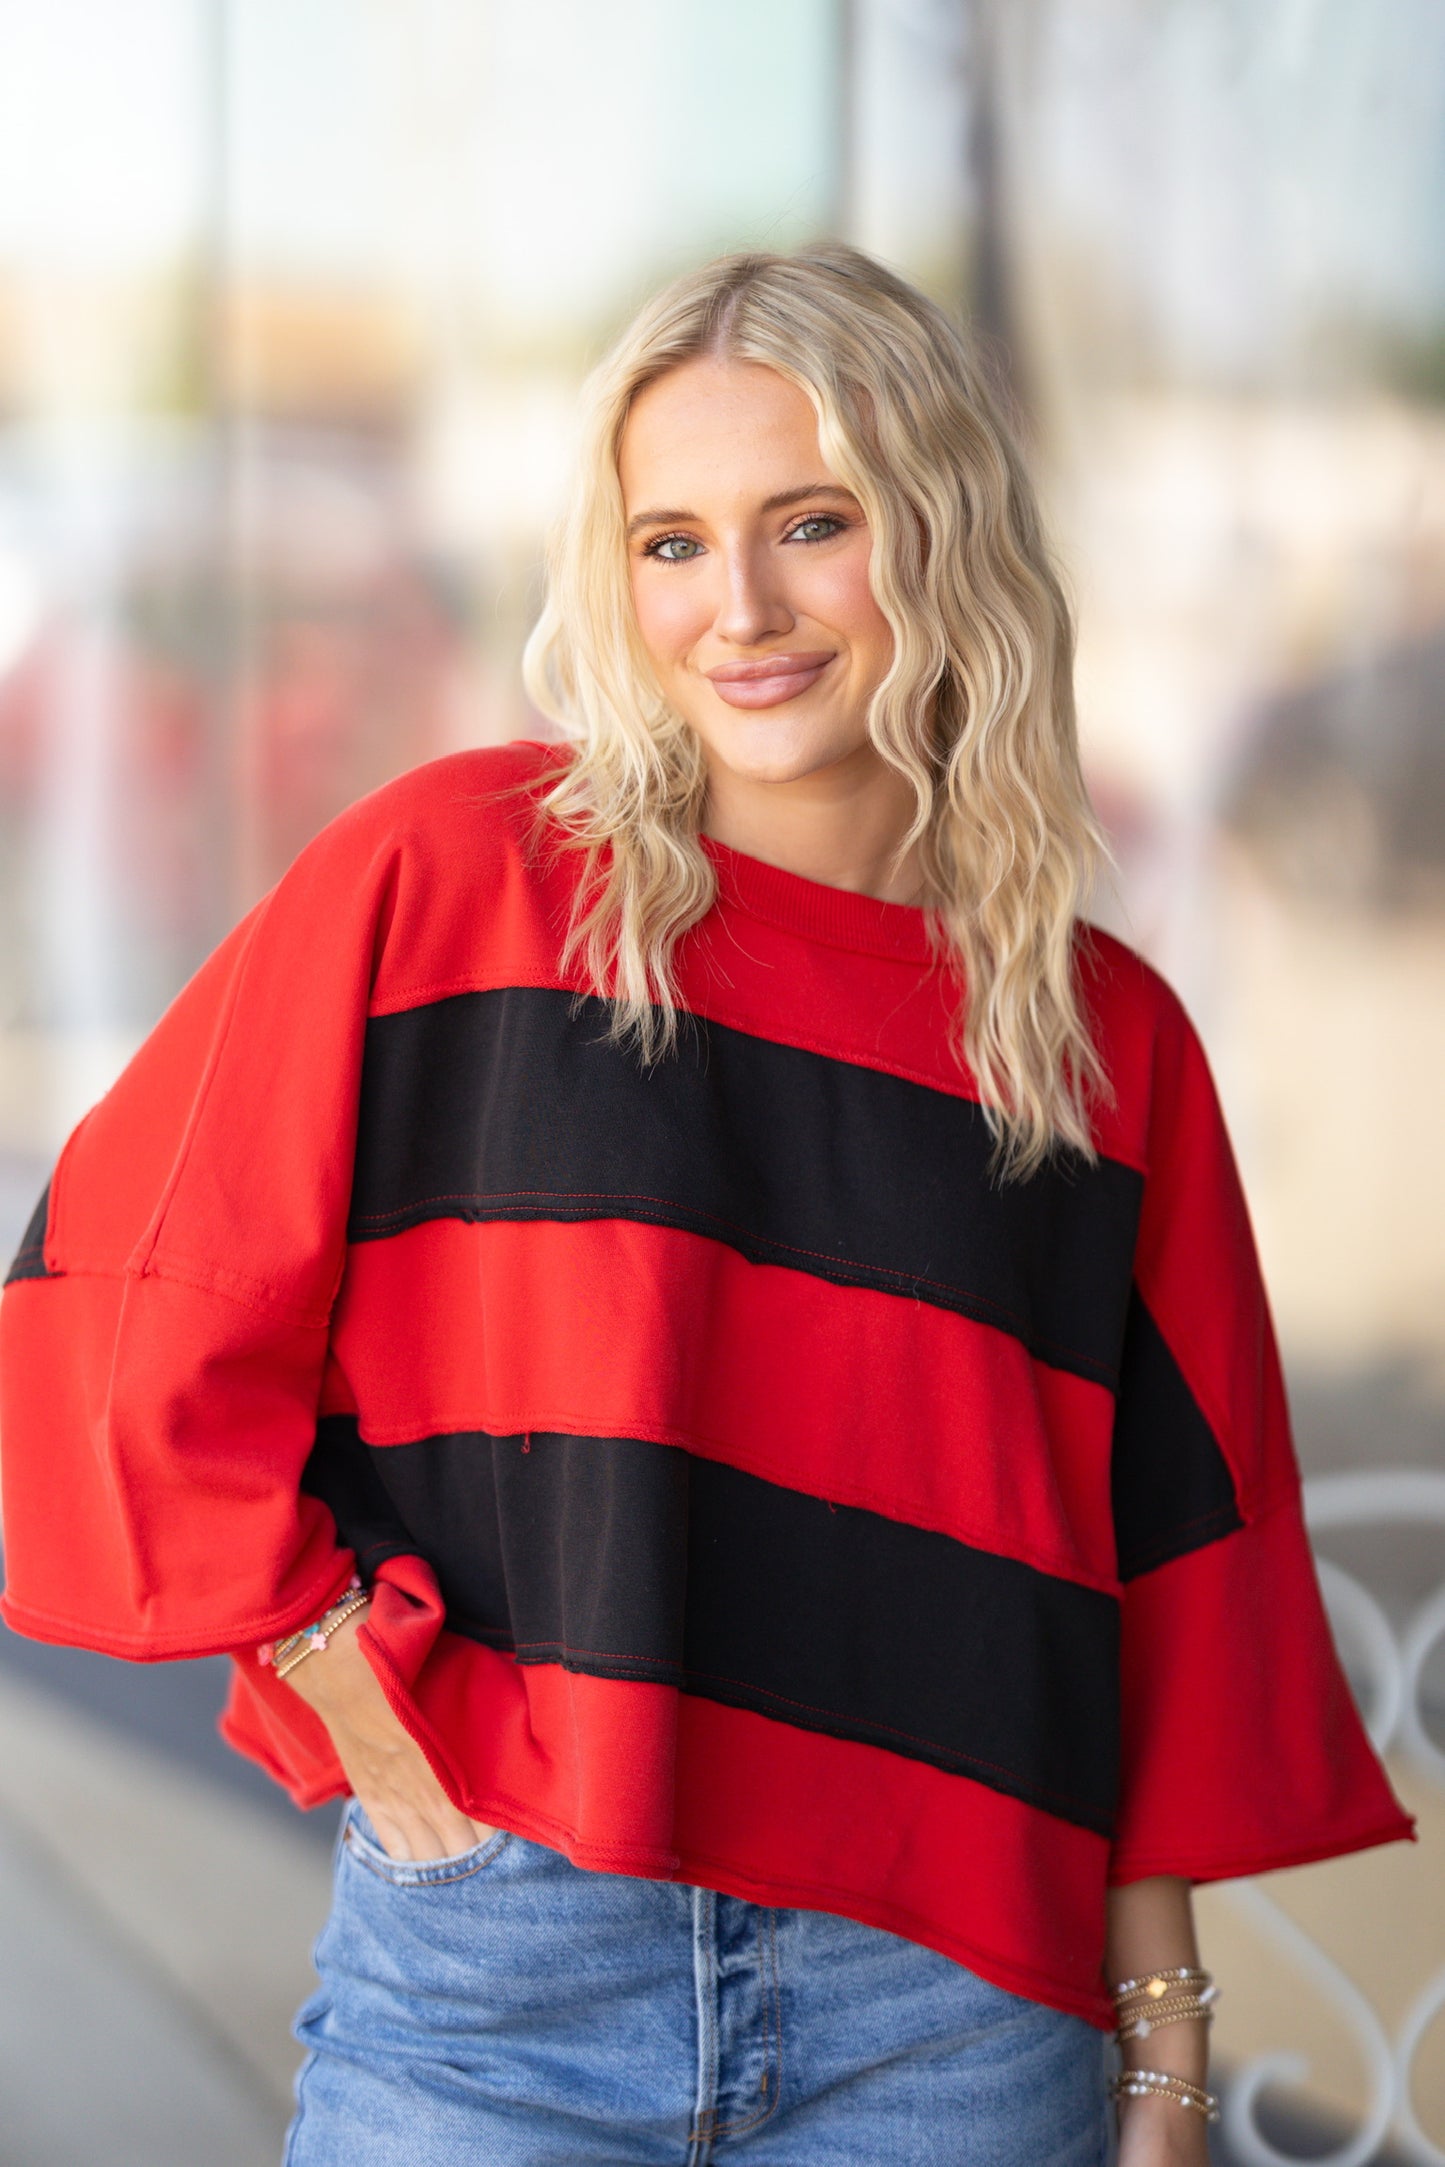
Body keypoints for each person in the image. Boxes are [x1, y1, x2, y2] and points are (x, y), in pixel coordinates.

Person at [0, 243, 1416, 2167]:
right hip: (503, 1983)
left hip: (955, 2023)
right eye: (669, 541)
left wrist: (1161, 2051)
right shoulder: (459, 884)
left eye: (808, 524)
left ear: (936, 536)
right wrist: (360, 1690)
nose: (735, 607)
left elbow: (1153, 1580)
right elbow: (111, 1297)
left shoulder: (1105, 1039)